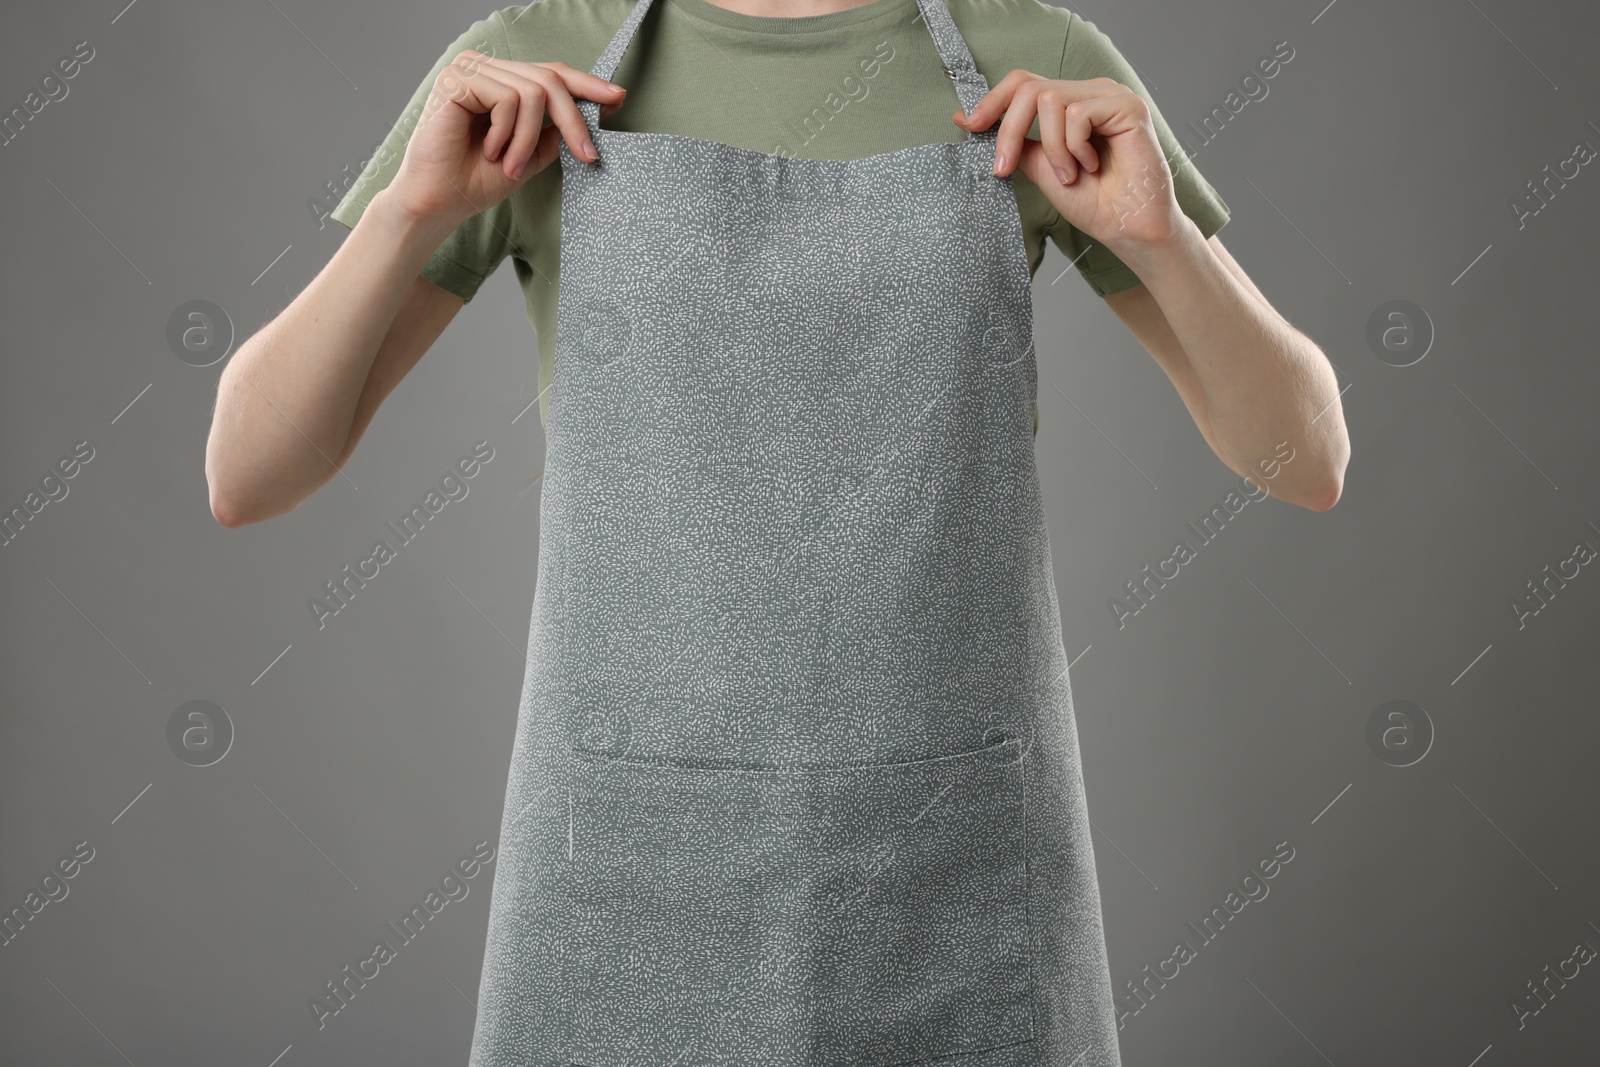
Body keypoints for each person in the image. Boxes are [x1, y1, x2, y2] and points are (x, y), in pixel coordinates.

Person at [205, 1, 1349, 1065]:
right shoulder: (533, 62)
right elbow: (249, 473)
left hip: (952, 865)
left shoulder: (1034, 56)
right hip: (624, 861)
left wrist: (1161, 242)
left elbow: (1306, 460)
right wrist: (408, 213)